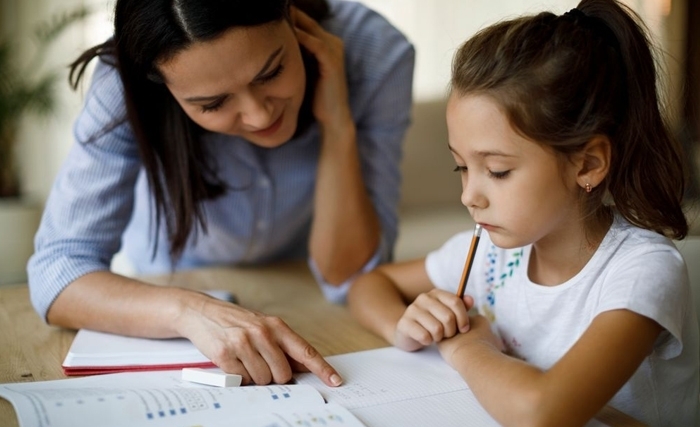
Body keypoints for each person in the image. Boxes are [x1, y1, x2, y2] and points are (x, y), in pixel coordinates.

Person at [347, 0, 700, 425]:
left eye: (497, 171)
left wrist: (466, 347)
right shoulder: (493, 255)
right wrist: (405, 328)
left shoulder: (641, 272)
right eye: (461, 166)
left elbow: (543, 412)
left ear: (587, 165)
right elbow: (368, 285)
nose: (469, 196)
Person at [28, 0, 414, 387]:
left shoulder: (374, 49)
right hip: (170, 282)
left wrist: (338, 123)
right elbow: (58, 272)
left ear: (291, 16)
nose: (259, 116)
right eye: (212, 104)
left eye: (272, 71)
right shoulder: (120, 81)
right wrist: (189, 311)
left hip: (303, 288)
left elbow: (350, 277)